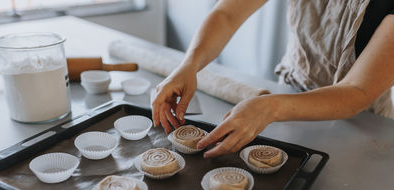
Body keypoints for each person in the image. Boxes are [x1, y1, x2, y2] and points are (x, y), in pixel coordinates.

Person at [152, 0, 394, 158]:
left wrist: (270, 107)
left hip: (363, 121)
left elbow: (358, 91)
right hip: (290, 93)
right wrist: (189, 65)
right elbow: (227, 14)